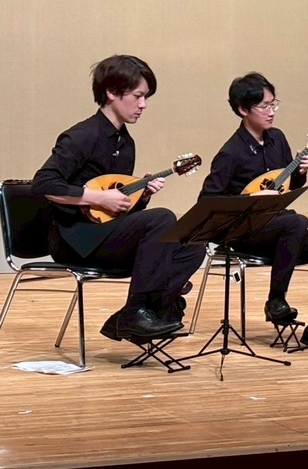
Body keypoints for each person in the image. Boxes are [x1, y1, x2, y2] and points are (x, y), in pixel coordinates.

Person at [31, 54, 206, 340]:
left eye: (146, 97)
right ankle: (138, 311)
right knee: (162, 218)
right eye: (138, 96)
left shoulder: (126, 144)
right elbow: (43, 184)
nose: (143, 105)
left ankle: (136, 315)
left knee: (193, 244)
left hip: (104, 233)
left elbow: (116, 209)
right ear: (112, 92)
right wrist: (98, 198)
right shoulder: (82, 136)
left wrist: (141, 196)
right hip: (73, 239)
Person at [198, 72, 308, 352]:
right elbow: (208, 200)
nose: (271, 111)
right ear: (243, 110)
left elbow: (285, 189)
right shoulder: (231, 153)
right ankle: (275, 299)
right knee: (296, 221)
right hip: (244, 233)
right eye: (264, 106)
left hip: (280, 231)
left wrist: (300, 174)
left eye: (274, 104)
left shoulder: (278, 139)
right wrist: (251, 199)